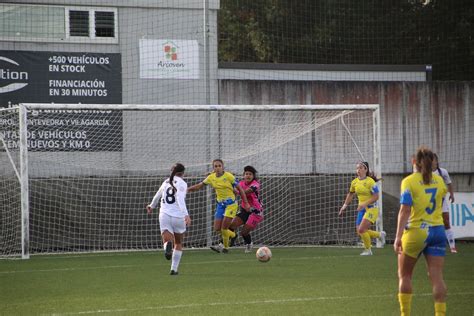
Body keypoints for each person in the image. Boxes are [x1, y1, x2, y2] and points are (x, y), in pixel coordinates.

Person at [394, 147, 448, 316]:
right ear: (432, 162)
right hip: (438, 231)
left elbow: (405, 210)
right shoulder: (440, 181)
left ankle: (405, 314)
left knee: (405, 276)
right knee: (437, 278)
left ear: (413, 162)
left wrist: (397, 237)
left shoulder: (408, 181)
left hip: (417, 231)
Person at [187, 159, 250, 253]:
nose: (218, 168)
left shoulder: (229, 176)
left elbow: (240, 189)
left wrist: (246, 202)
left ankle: (226, 247)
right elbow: (199, 186)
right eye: (215, 166)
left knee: (224, 227)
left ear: (223, 167)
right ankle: (233, 235)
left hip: (231, 205)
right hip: (220, 205)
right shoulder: (211, 177)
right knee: (217, 228)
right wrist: (186, 189)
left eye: (219, 166)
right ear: (213, 168)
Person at [147, 163, 191, 275]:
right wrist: (186, 215)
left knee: (167, 240)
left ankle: (167, 246)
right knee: (178, 242)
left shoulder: (166, 181)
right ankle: (174, 269)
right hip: (178, 216)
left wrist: (151, 206)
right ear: (183, 173)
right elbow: (180, 200)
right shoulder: (182, 183)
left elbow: (157, 195)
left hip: (164, 215)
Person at [339, 161, 385, 255]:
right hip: (362, 209)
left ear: (365, 169)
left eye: (360, 168)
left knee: (361, 229)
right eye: (357, 168)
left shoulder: (370, 181)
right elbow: (351, 194)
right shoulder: (354, 182)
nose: (358, 170)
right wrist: (344, 206)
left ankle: (368, 250)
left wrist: (364, 204)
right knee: (360, 231)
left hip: (372, 208)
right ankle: (380, 235)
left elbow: (376, 196)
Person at [229, 165, 263, 253]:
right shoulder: (241, 183)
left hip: (255, 211)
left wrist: (233, 188)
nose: (248, 176)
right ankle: (229, 240)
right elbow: (234, 187)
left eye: (250, 174)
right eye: (246, 174)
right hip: (244, 209)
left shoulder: (256, 184)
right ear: (243, 175)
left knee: (244, 232)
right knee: (231, 225)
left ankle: (249, 244)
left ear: (253, 176)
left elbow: (245, 192)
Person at [432, 153, 457, 253]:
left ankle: (452, 246)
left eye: (433, 159)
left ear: (437, 161)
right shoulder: (425, 173)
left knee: (446, 222)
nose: (432, 161)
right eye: (430, 159)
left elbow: (449, 183)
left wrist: (451, 194)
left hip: (441, 202)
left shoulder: (443, 172)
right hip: (430, 204)